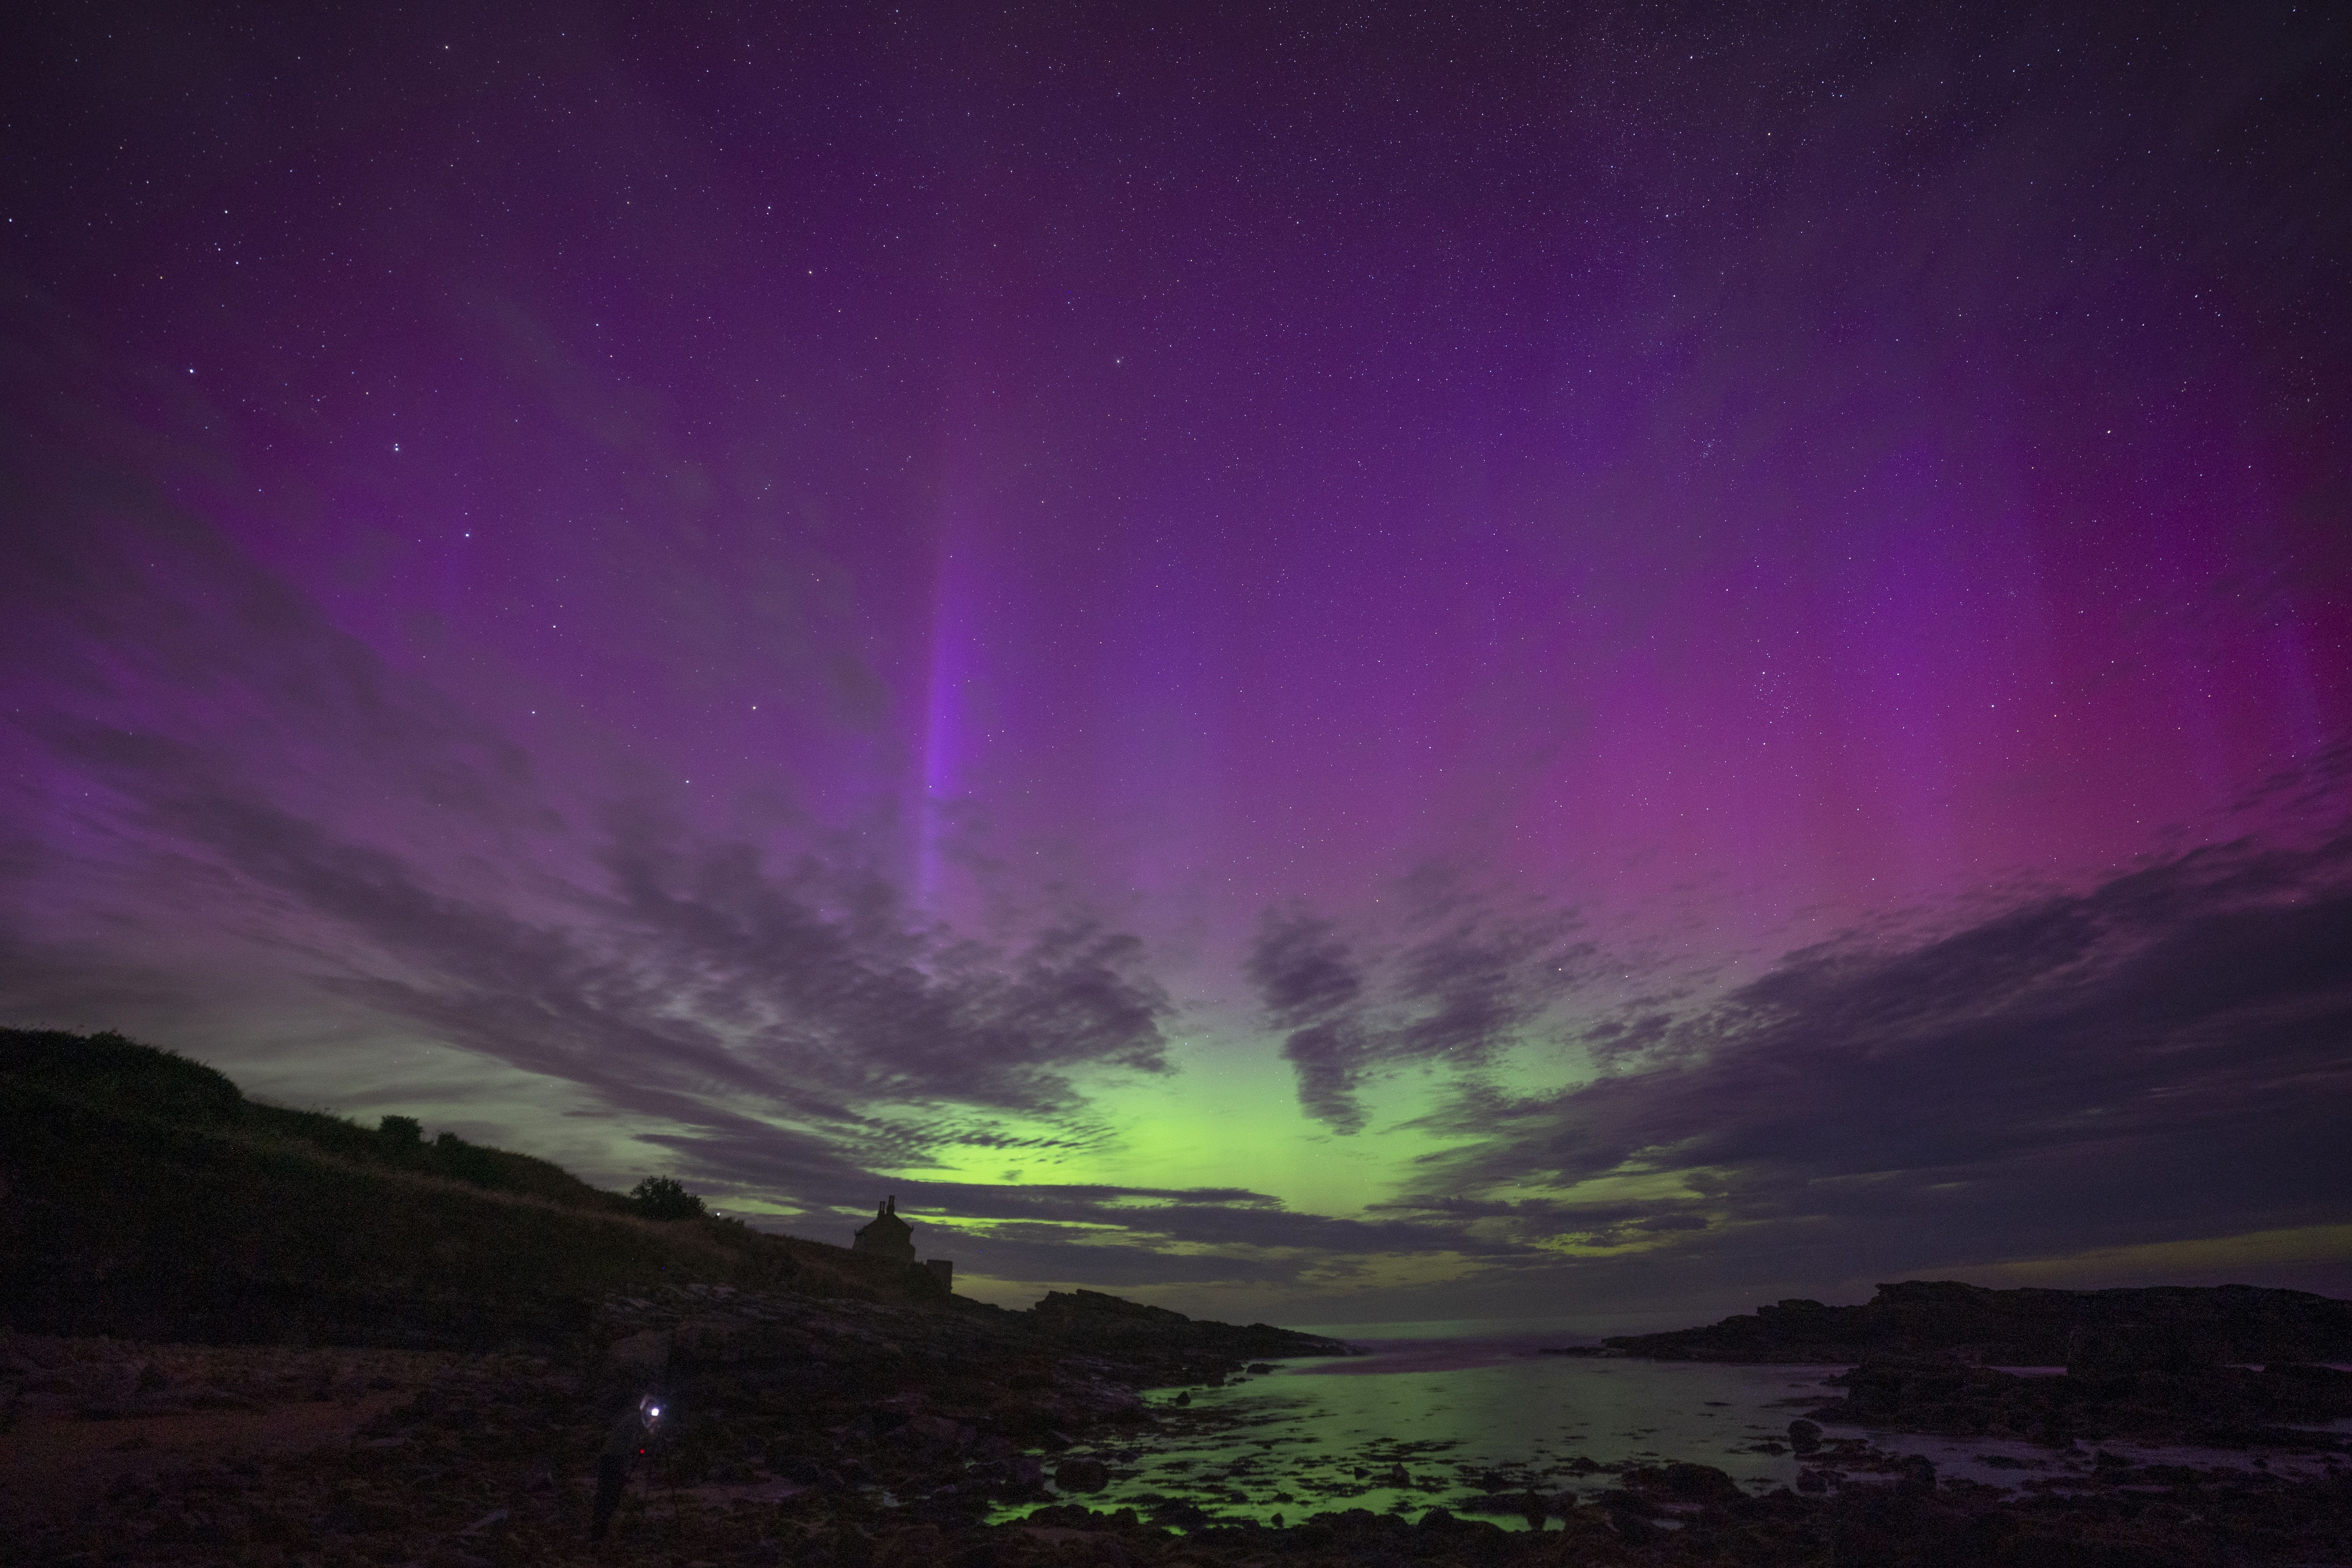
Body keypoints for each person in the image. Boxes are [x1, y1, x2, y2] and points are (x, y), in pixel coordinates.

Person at [590, 1394, 663, 1542]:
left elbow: (641, 1444)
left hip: (614, 1457)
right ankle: (599, 1532)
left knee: (608, 1494)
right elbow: (646, 1436)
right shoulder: (635, 1419)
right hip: (614, 1458)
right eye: (651, 1408)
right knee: (609, 1494)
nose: (652, 1411)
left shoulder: (635, 1419)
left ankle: (600, 1530)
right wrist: (654, 1426)